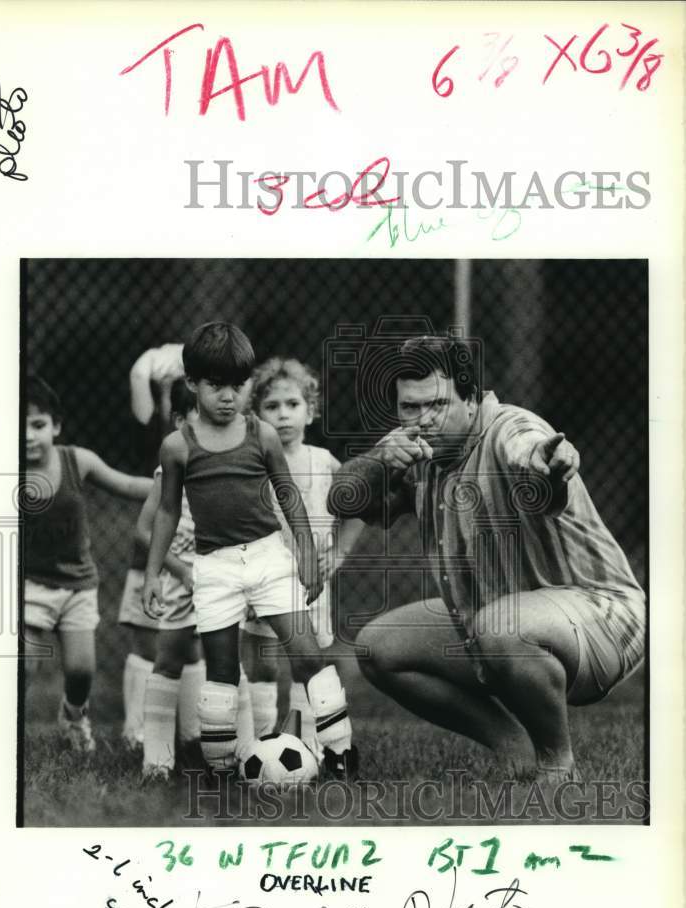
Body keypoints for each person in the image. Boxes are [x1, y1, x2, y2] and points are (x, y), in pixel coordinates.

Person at [327, 336, 645, 782]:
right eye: (409, 407)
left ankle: (556, 764)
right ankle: (512, 745)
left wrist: (548, 464)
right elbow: (341, 498)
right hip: (499, 618)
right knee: (379, 648)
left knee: (499, 627)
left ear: (472, 399)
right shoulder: (416, 445)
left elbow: (532, 454)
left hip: (603, 618)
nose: (423, 419)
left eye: (437, 404)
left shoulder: (511, 429)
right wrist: (380, 460)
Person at [143, 322, 359, 780]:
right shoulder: (177, 446)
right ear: (192, 385)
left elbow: (288, 495)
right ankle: (223, 768)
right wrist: (150, 574)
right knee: (222, 671)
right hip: (215, 567)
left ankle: (340, 753)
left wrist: (304, 551)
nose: (228, 396)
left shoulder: (260, 434)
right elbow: (165, 512)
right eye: (215, 385)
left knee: (307, 653)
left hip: (267, 558)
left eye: (238, 385)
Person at [130, 377, 254, 779]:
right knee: (168, 659)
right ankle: (158, 759)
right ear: (180, 421)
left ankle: (247, 753)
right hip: (183, 582)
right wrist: (179, 571)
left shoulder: (237, 465)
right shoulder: (170, 468)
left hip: (225, 583)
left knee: (230, 663)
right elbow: (144, 530)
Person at [23, 375, 152, 752]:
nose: (30, 436)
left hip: (78, 585)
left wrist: (173, 484)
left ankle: (73, 716)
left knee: (81, 670)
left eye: (38, 425)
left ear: (56, 426)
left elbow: (126, 485)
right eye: (19, 426)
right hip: (29, 585)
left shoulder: (77, 461)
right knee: (25, 665)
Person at [239, 357, 364, 746]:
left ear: (310, 411)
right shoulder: (252, 464)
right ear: (255, 414)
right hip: (262, 582)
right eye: (271, 407)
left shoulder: (323, 462)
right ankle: (257, 749)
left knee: (307, 665)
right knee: (260, 664)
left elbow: (361, 507)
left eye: (292, 405)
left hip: (311, 584)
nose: (283, 415)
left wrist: (339, 553)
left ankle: (305, 747)